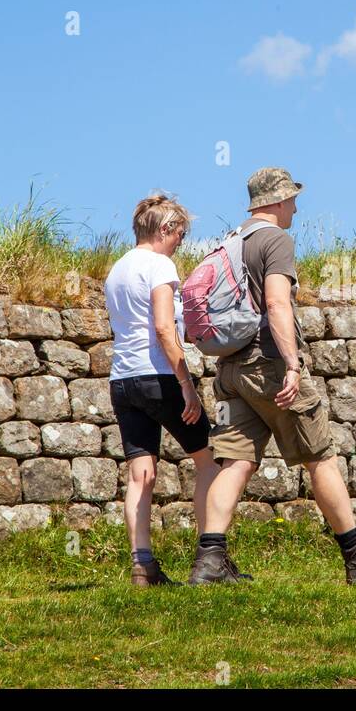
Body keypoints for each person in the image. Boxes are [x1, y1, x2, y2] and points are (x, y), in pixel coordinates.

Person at [191, 167, 356, 585]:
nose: (295, 205)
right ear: (275, 200)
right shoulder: (276, 239)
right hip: (270, 364)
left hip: (232, 370)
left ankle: (209, 563)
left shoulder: (230, 242)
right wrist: (292, 365)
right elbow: (277, 304)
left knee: (234, 463)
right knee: (320, 457)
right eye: (291, 198)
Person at [104, 194, 224, 587]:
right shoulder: (159, 265)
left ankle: (143, 566)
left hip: (122, 380)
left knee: (141, 475)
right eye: (181, 235)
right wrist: (187, 384)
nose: (181, 243)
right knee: (211, 461)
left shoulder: (117, 269)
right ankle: (210, 558)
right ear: (165, 229)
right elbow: (162, 327)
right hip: (158, 377)